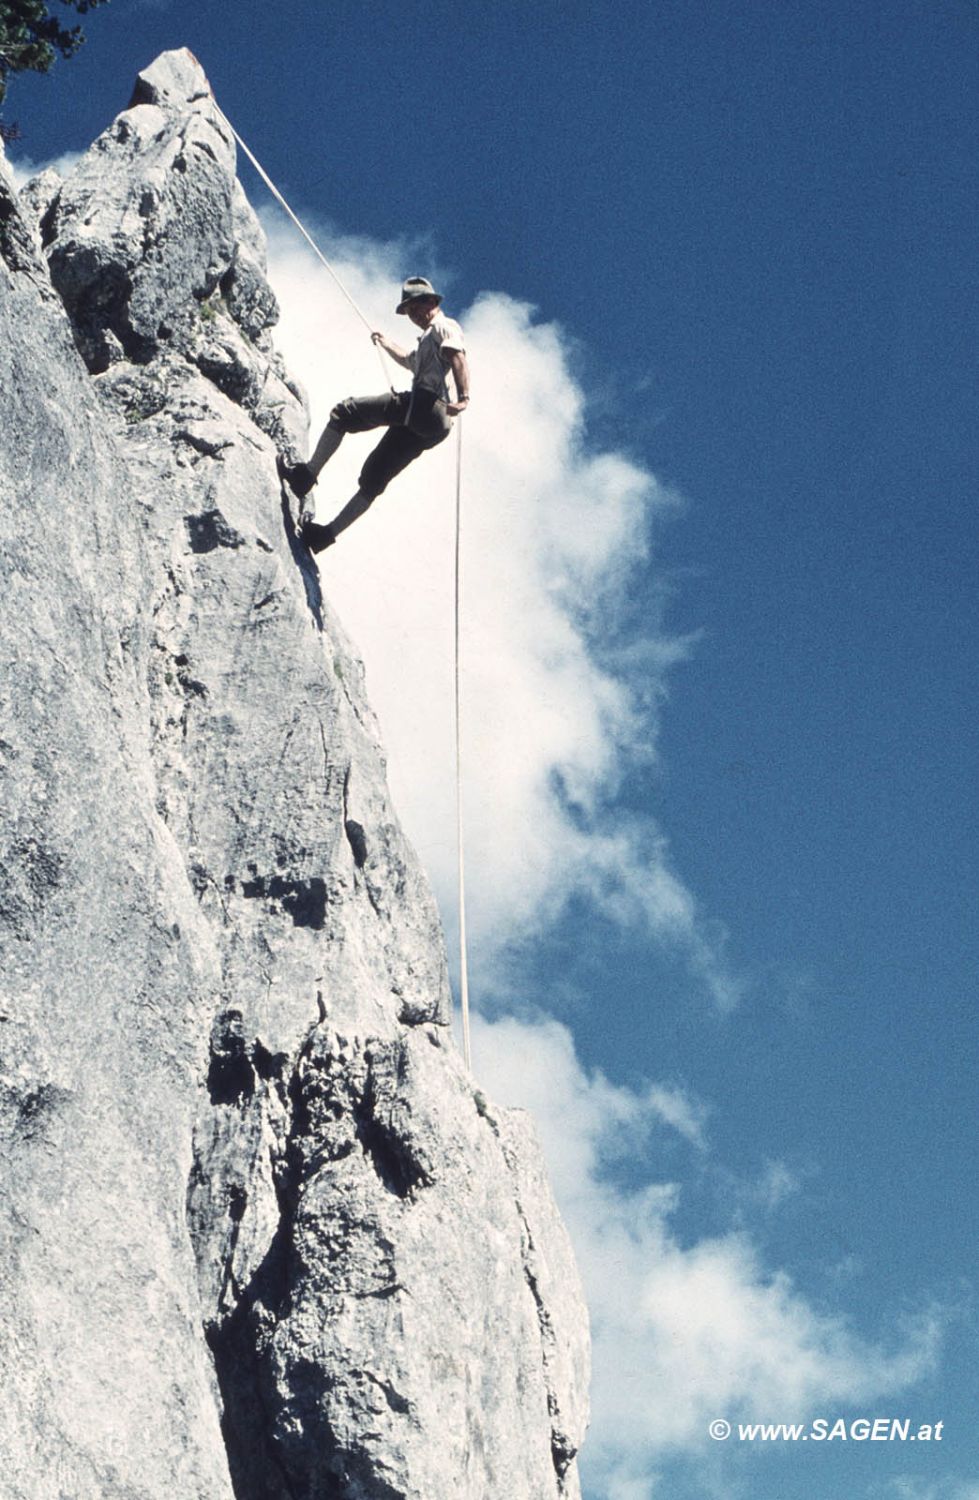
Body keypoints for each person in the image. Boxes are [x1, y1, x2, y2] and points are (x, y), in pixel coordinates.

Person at [278, 277, 471, 552]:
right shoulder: (429, 337)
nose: (413, 315)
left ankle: (305, 477)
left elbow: (458, 357)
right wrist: (384, 342)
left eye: (416, 307)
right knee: (373, 477)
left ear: (432, 301)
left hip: (427, 405)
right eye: (409, 311)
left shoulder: (444, 326)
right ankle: (324, 536)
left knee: (344, 413)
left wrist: (464, 398)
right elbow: (409, 361)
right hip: (433, 426)